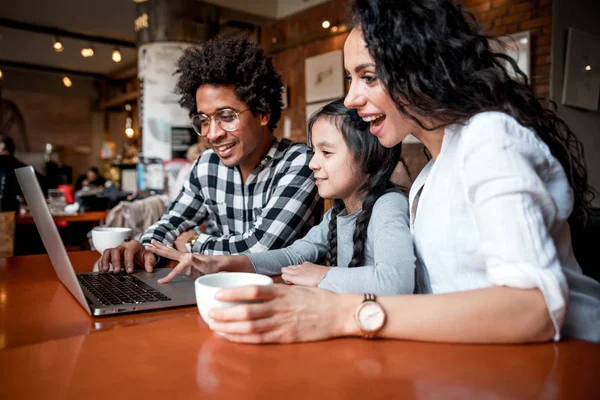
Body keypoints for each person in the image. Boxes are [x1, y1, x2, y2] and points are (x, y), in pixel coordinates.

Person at [205, 0, 600, 344]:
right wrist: (235, 263)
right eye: (350, 78)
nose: (351, 98)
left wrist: (341, 314)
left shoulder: (488, 137)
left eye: (369, 77)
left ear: (419, 71)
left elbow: (533, 308)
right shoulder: (430, 175)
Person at [100, 35, 322, 274]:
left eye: (226, 117)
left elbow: (260, 250)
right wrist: (142, 245)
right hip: (220, 291)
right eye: (203, 120)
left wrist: (193, 243)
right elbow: (173, 221)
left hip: (284, 297)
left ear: (263, 113)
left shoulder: (299, 163)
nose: (212, 134)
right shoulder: (207, 165)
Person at [145, 99, 416, 295]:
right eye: (314, 151)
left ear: (367, 156)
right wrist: (222, 262)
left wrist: (322, 274)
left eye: (327, 152)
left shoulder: (387, 205)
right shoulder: (337, 214)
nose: (313, 163)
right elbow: (295, 254)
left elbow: (396, 281)